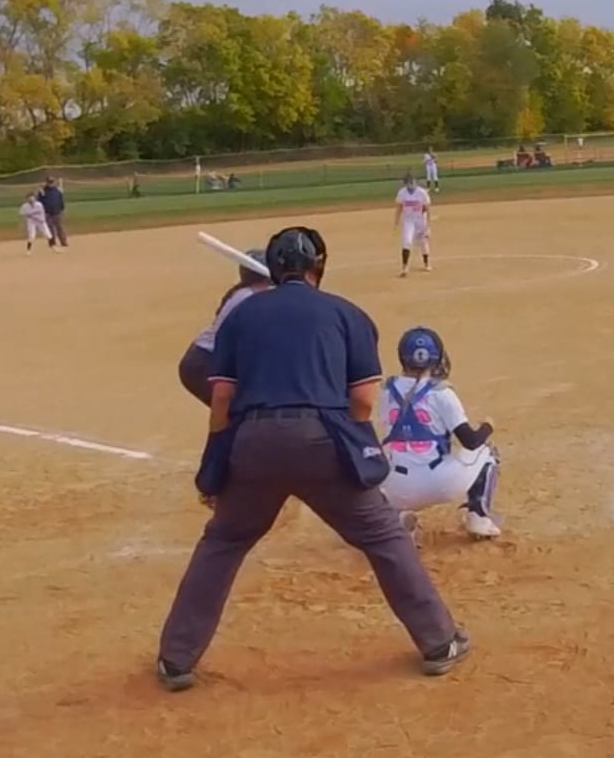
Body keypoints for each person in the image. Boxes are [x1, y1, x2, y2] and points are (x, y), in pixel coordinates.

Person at [155, 227, 470, 691]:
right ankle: (439, 642)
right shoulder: (346, 313)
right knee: (383, 536)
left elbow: (221, 397)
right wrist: (350, 444)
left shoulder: (242, 314)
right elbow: (362, 401)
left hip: (254, 441)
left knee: (222, 542)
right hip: (323, 440)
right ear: (319, 266)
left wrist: (219, 455)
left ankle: (176, 659)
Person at [379, 327, 502, 539]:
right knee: (487, 452)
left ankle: (397, 519)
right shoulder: (441, 392)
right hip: (440, 484)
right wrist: (487, 426)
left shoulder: (387, 390)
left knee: (383, 469)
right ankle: (479, 517)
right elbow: (471, 441)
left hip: (399, 489)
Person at [175, 248, 272, 405]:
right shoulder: (248, 297)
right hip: (205, 363)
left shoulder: (248, 294)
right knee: (238, 409)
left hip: (208, 361)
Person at [393, 172, 432, 278]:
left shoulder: (422, 193)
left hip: (420, 220)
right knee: (407, 241)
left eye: (412, 182)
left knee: (423, 242)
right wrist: (396, 221)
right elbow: (399, 207)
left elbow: (427, 209)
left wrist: (428, 225)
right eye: (409, 183)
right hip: (408, 221)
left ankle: (426, 263)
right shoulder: (402, 193)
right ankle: (404, 267)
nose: (411, 185)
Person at [38, 177, 68, 248]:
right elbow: (39, 202)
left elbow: (61, 199)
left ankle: (63, 241)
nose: (51, 184)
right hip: (48, 213)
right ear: (46, 183)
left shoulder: (57, 190)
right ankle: (52, 242)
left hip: (57, 212)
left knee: (60, 227)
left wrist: (63, 208)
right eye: (49, 182)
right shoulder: (43, 191)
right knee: (50, 228)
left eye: (52, 182)